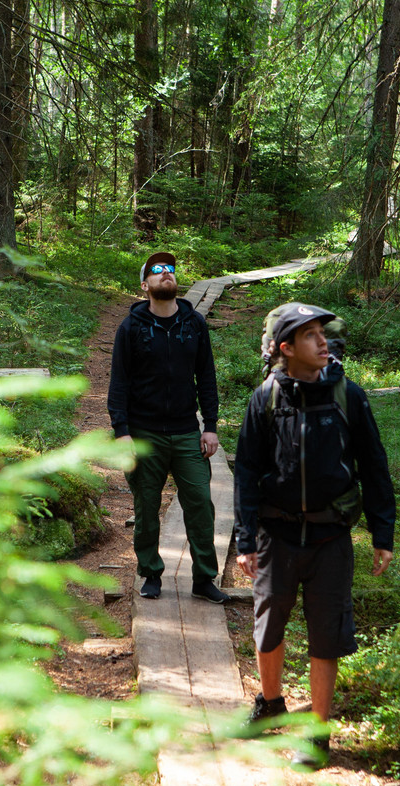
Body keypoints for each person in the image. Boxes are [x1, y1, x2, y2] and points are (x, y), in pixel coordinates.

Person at [234, 302, 396, 769]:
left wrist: (382, 532)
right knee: (269, 623)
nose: (323, 341)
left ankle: (319, 734)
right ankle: (270, 705)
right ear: (286, 348)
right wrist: (246, 539)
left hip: (331, 538)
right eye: (310, 336)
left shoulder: (349, 396)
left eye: (323, 333)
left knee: (328, 634)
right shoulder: (265, 398)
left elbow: (374, 466)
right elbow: (246, 471)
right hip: (276, 535)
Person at [107, 251, 229, 604]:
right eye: (157, 271)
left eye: (170, 270)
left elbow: (206, 377)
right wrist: (123, 432)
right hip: (144, 433)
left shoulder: (193, 325)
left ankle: (205, 578)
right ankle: (151, 573)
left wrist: (210, 426)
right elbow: (119, 384)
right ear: (145, 285)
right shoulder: (130, 328)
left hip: (186, 431)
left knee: (201, 504)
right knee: (146, 506)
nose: (166, 273)